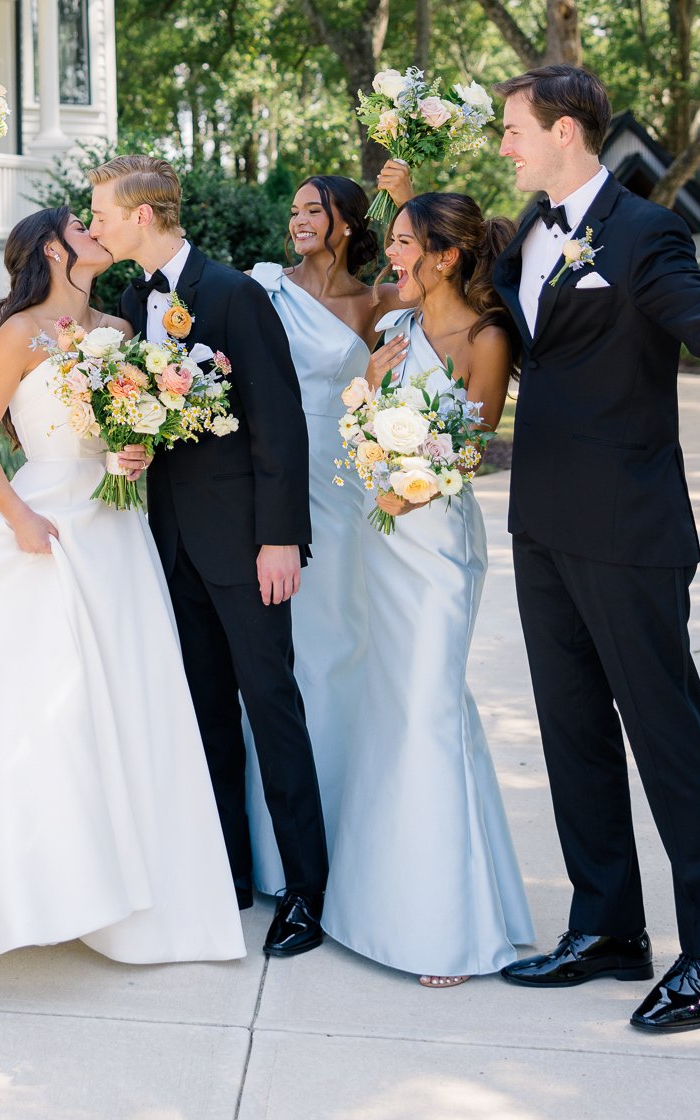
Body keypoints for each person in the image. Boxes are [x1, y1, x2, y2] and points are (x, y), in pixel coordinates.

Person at [0, 207, 245, 964]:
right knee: (34, 703)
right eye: (82, 226)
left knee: (125, 698)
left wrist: (135, 455)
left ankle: (130, 890)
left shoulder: (122, 332)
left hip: (116, 532)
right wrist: (20, 516)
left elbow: (128, 431)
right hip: (41, 525)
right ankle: (30, 885)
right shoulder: (19, 333)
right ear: (52, 249)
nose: (98, 231)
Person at [493, 65, 700, 1034]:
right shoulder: (524, 230)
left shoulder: (643, 230)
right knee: (572, 729)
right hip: (542, 524)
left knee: (666, 732)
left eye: (515, 129)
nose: (505, 144)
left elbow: (695, 300)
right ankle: (606, 923)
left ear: (566, 130)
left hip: (630, 529)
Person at [91, 155, 326, 960]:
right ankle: (225, 872)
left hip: (245, 544)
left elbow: (279, 425)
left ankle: (304, 890)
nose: (96, 227)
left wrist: (279, 537)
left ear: (147, 216)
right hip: (170, 547)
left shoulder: (234, 295)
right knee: (203, 720)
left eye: (104, 215)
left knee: (271, 710)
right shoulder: (131, 301)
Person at [321, 189, 533, 985]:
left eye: (404, 242)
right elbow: (363, 422)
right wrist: (369, 389)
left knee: (428, 710)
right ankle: (378, 910)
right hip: (381, 540)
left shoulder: (485, 336)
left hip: (438, 542)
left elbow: (470, 447)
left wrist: (404, 490)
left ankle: (445, 931)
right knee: (393, 706)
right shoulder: (394, 329)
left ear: (444, 256)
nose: (391, 255)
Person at [245, 172, 403, 873]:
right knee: (271, 658)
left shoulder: (373, 301)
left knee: (334, 649)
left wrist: (397, 193)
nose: (298, 219)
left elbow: (430, 262)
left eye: (314, 209)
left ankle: (339, 825)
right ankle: (268, 841)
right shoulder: (261, 287)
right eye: (295, 209)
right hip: (269, 479)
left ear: (344, 221)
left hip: (338, 484)